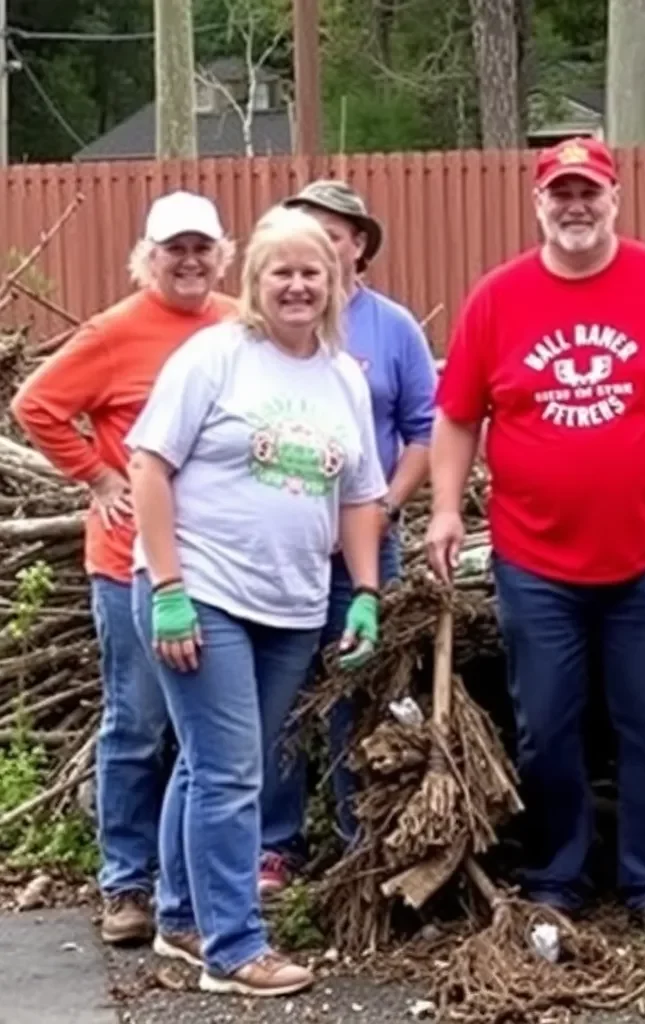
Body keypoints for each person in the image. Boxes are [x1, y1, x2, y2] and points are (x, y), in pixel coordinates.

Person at [425, 137, 645, 935]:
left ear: (614, 198)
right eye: (560, 194)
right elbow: (457, 416)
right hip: (536, 558)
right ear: (538, 204)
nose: (575, 206)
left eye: (588, 191)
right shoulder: (499, 298)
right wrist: (447, 508)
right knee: (547, 723)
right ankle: (556, 873)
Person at [125, 206, 387, 997]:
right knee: (231, 772)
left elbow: (360, 496)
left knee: (214, 766)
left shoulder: (342, 375)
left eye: (313, 272)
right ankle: (234, 949)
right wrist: (168, 586)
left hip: (294, 605)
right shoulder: (216, 357)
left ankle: (179, 914)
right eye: (283, 273)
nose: (299, 286)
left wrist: (367, 592)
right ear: (256, 283)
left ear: (336, 282)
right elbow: (146, 465)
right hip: (201, 589)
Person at [10, 191, 236, 945]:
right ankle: (126, 885)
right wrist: (99, 478)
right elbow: (36, 404)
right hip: (128, 565)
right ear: (149, 256)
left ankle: (200, 886)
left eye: (202, 247)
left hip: (222, 565)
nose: (190, 261)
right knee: (137, 726)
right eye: (175, 249)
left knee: (206, 739)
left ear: (221, 253)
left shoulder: (240, 323)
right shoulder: (115, 331)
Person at [258, 180, 437, 892]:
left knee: (355, 685)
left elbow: (425, 430)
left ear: (359, 244)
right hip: (282, 548)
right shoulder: (265, 329)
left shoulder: (390, 329)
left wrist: (384, 505)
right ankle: (278, 842)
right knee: (280, 693)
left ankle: (357, 835)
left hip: (365, 545)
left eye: (333, 234)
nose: (320, 250)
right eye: (305, 234)